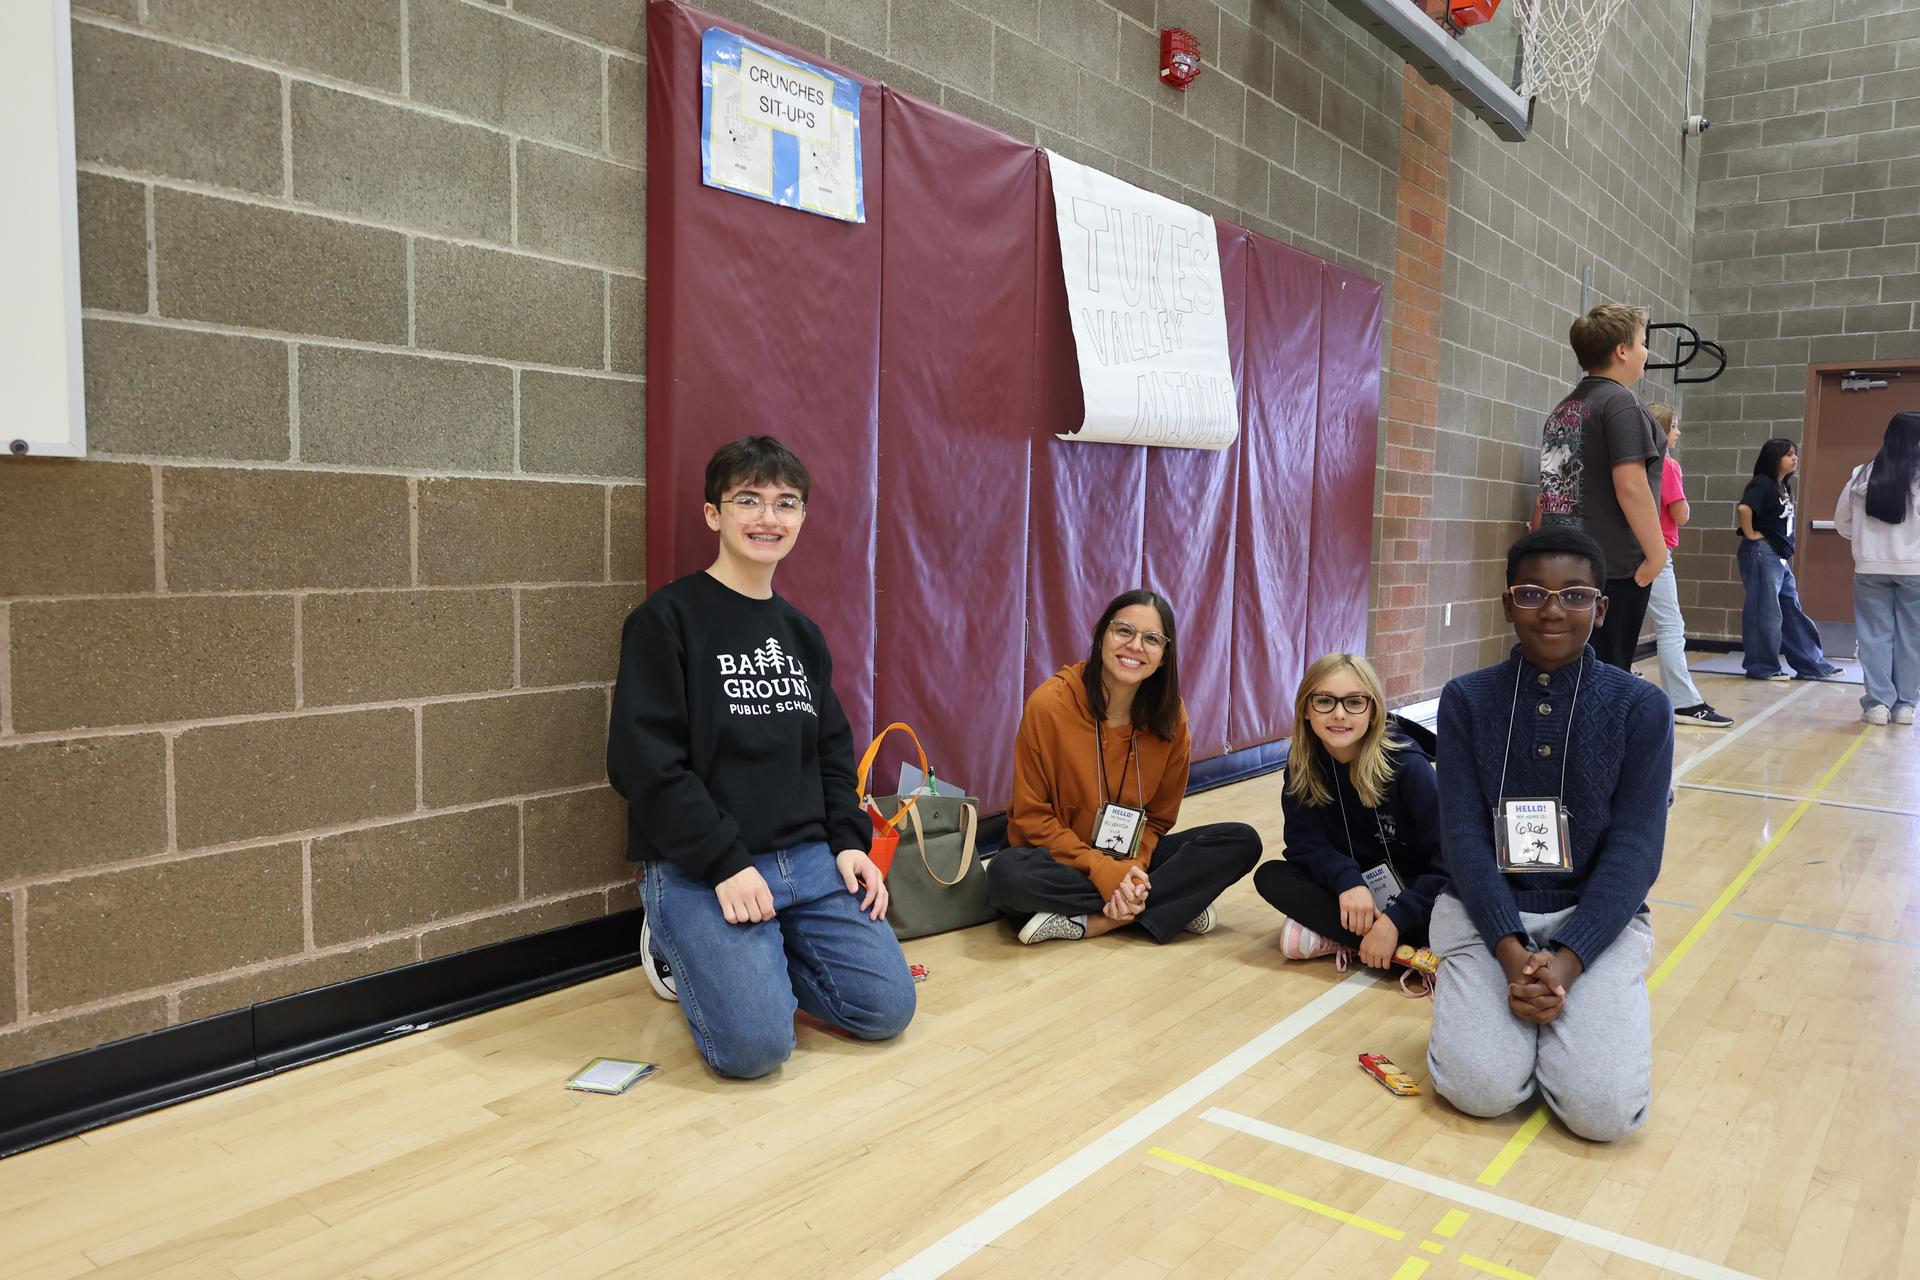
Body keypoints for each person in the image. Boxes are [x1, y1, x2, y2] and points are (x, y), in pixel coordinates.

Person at [606, 436, 914, 1079]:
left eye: (786, 503)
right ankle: (674, 942)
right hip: (707, 868)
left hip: (806, 857)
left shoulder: (802, 633)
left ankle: (762, 957)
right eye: (748, 499)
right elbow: (644, 765)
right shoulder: (665, 621)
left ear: (802, 519)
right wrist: (723, 861)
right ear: (714, 514)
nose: (768, 518)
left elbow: (832, 753)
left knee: (887, 1010)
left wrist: (848, 841)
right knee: (755, 1052)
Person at [1427, 526, 1671, 1143]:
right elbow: (1461, 838)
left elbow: (1636, 849)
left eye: (1576, 595)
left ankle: (1559, 1029)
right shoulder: (1465, 700)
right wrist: (1513, 956)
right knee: (1478, 1091)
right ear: (1508, 603)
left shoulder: (1641, 707)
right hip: (1487, 919)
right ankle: (1519, 1032)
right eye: (1533, 593)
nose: (1554, 609)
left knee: (1603, 1114)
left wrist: (1566, 962)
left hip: (1595, 924)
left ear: (1602, 606)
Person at [987, 590, 1261, 944]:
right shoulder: (1048, 705)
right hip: (1057, 857)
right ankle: (1170, 903)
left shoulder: (1171, 717)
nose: (1135, 646)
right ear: (1102, 636)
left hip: (1128, 855)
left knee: (1241, 841)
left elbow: (1160, 818)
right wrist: (1104, 871)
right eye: (1124, 631)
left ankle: (1096, 921)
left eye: (1151, 639)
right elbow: (1031, 818)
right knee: (1006, 877)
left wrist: (1129, 870)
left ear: (1164, 656)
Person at [1253, 653, 1448, 975]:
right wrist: (1348, 883)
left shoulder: (1409, 767)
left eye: (1354, 702)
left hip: (1418, 893)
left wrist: (1396, 919)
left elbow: (1449, 865)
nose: (1339, 714)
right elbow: (1305, 844)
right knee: (1273, 876)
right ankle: (1400, 951)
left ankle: (1352, 938)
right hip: (1357, 892)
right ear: (1305, 708)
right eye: (1325, 701)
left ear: (1372, 711)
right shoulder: (1302, 764)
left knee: (1461, 909)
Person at [1536, 304, 1668, 671]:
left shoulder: (1565, 408)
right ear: (1621, 351)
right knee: (1607, 674)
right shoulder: (1622, 403)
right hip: (1613, 570)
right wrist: (1657, 555)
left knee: (1567, 671)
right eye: (1643, 342)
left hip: (1563, 563)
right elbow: (1631, 486)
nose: (1646, 352)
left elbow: (1551, 492)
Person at [1644, 404, 1732, 727]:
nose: (1678, 432)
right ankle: (1684, 702)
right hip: (1656, 552)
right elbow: (1680, 514)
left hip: (1628, 549)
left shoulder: (1633, 463)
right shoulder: (1668, 465)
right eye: (1675, 426)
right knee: (1671, 627)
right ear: (1662, 429)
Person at [1836, 411, 1920, 725]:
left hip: (1870, 569)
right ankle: (1905, 706)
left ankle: (1878, 705)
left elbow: (1842, 522)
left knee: (1875, 637)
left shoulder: (1862, 474)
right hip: (1916, 570)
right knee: (1912, 639)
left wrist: (1866, 546)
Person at [1736, 438, 1841, 682]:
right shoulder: (1762, 483)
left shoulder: (1783, 485)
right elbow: (1744, 509)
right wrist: (1752, 534)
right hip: (1762, 552)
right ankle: (1762, 666)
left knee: (1790, 609)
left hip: (1778, 555)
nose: (1795, 458)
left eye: (1795, 454)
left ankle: (1811, 664)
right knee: (1765, 611)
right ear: (1775, 458)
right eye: (1789, 454)